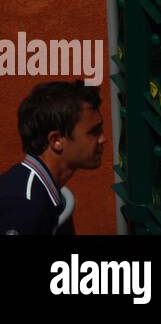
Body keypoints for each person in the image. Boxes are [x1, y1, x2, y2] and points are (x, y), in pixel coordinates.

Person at [0, 82, 104, 234]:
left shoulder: (40, 190)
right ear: (56, 141)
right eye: (94, 132)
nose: (103, 139)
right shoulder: (25, 210)